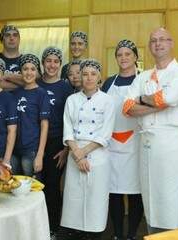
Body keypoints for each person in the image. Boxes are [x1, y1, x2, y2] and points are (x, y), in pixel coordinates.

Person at [122, 27, 178, 233]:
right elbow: (126, 108)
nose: (158, 44)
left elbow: (168, 99)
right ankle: (154, 234)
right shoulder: (142, 77)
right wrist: (156, 102)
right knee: (151, 194)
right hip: (147, 144)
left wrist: (141, 99)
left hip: (172, 143)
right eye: (153, 41)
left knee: (173, 197)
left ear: (171, 43)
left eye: (162, 39)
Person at [61, 59, 115, 240]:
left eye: (93, 74)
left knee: (95, 198)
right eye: (85, 74)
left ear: (99, 78)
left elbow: (105, 134)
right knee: (74, 198)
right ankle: (75, 232)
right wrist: (77, 153)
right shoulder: (72, 100)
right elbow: (67, 130)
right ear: (80, 77)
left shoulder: (107, 101)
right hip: (75, 151)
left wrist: (82, 153)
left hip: (97, 155)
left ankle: (95, 233)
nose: (89, 78)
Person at [102, 40, 143, 240]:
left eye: (128, 54)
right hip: (112, 145)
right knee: (114, 192)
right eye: (120, 54)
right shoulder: (109, 82)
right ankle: (118, 234)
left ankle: (132, 235)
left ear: (136, 57)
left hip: (137, 144)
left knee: (136, 191)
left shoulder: (143, 80)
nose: (124, 58)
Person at [38, 46, 73, 237]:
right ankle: (36, 227)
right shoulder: (33, 83)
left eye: (56, 61)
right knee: (35, 187)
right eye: (48, 60)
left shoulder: (65, 88)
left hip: (56, 144)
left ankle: (53, 229)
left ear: (60, 64)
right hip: (34, 143)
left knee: (52, 187)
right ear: (43, 63)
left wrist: (67, 149)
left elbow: (71, 119)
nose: (52, 65)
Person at [11, 54, 50, 177]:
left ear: (37, 71)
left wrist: (40, 154)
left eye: (33, 69)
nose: (29, 72)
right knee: (14, 186)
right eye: (25, 69)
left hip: (31, 149)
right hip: (14, 149)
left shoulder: (41, 94)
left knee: (32, 188)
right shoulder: (15, 93)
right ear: (20, 71)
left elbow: (44, 125)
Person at [0, 25, 24, 91]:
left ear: (19, 39)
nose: (12, 38)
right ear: (1, 40)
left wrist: (6, 76)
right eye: (7, 35)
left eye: (15, 35)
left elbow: (34, 81)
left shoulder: (27, 60)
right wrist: (23, 84)